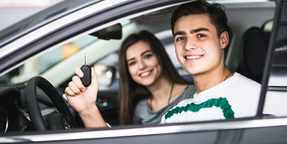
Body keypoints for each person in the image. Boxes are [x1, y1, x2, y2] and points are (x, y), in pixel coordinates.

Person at [65, 30, 195, 127]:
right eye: (132, 63)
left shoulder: (193, 95)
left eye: (147, 56)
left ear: (160, 56)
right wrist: (88, 109)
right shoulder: (141, 108)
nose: (142, 66)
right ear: (127, 70)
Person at [161, 0, 261, 123]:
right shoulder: (175, 114)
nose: (188, 46)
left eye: (201, 35)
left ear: (223, 40)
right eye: (181, 38)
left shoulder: (253, 99)